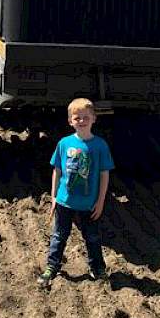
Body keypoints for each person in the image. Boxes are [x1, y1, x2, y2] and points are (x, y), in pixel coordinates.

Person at [37, 98, 115, 288]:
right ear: (70, 121)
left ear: (94, 119)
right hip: (65, 201)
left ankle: (97, 268)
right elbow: (57, 170)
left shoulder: (100, 145)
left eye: (86, 117)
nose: (81, 121)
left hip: (89, 203)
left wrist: (101, 201)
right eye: (77, 117)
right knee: (59, 236)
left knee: (93, 237)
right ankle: (52, 267)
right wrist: (54, 196)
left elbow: (105, 174)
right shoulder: (64, 143)